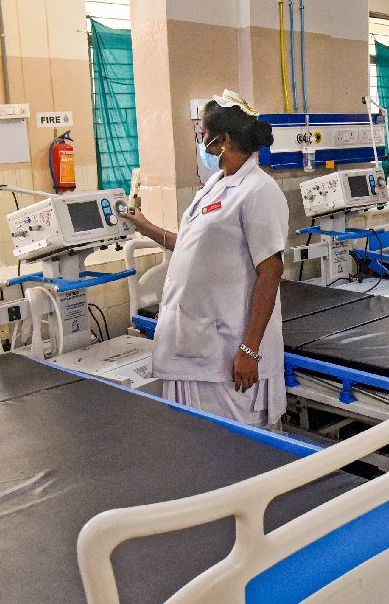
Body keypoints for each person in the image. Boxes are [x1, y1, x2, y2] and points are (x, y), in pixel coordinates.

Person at [122, 89, 288, 430]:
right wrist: (144, 226)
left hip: (227, 350)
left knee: (236, 448)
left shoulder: (259, 190)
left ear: (223, 140)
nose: (200, 141)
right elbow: (191, 246)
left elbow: (271, 271)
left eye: (203, 134)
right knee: (195, 442)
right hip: (193, 343)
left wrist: (250, 350)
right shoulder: (215, 184)